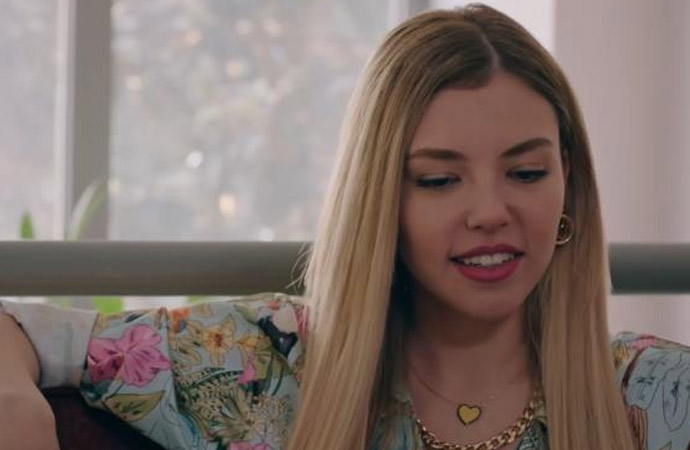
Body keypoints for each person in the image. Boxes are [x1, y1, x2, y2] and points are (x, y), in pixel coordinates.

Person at [1, 4, 689, 450]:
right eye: (439, 180)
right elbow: (20, 329)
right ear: (379, 202)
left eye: (527, 172)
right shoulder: (261, 361)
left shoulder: (659, 392)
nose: (490, 211)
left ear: (569, 184)